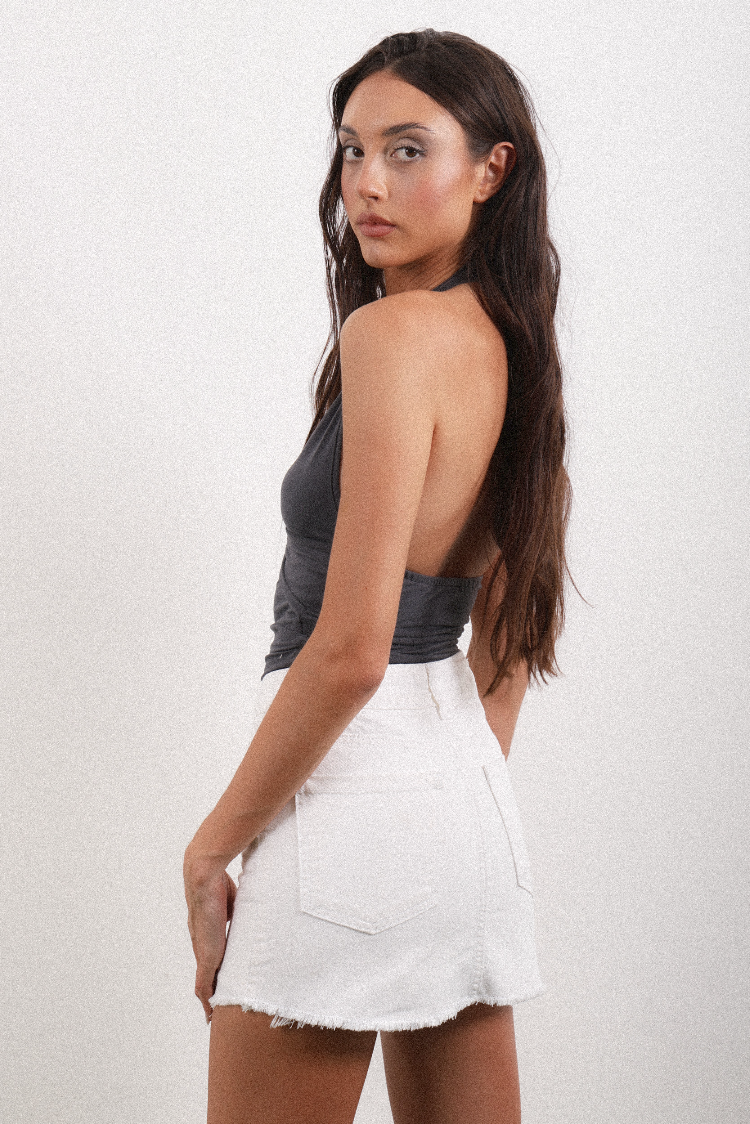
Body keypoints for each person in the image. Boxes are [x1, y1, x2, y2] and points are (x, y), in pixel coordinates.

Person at [184, 28, 573, 1124]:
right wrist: (436, 810)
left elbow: (352, 650)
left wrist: (212, 848)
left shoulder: (393, 334)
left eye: (409, 150)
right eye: (353, 150)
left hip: (347, 794)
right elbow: (507, 647)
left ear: (492, 169)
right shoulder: (515, 345)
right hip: (465, 804)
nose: (367, 183)